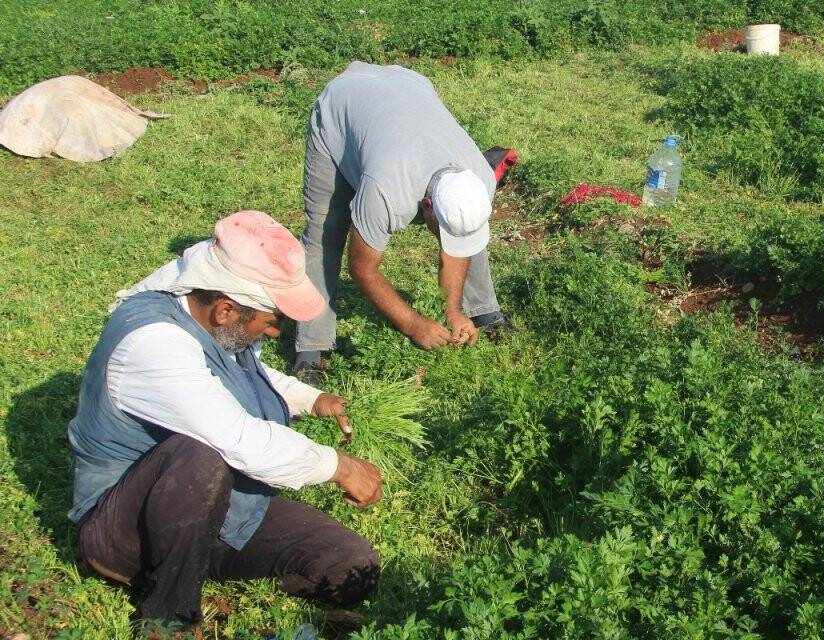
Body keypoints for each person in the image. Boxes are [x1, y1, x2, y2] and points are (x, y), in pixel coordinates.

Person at [68, 210, 384, 628]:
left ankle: (196, 568)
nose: (275, 334)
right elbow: (237, 439)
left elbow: (244, 371)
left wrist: (309, 398)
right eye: (273, 324)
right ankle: (169, 618)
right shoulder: (154, 344)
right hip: (125, 525)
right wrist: (338, 466)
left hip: (213, 507)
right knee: (202, 455)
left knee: (351, 566)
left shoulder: (215, 320)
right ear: (226, 311)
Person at [293, 61, 513, 376]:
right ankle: (310, 350)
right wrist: (411, 324)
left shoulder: (479, 177)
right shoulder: (386, 192)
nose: (448, 244)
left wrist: (453, 310)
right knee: (325, 231)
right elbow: (361, 268)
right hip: (344, 103)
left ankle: (483, 312)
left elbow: (461, 240)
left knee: (466, 221)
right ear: (425, 206)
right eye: (444, 232)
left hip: (407, 84)